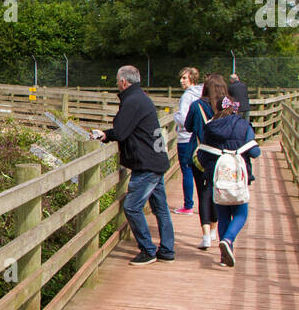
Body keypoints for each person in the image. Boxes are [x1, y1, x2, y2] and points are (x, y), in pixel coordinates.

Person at [96, 65, 174, 266]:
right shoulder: (142, 98)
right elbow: (127, 129)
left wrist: (106, 134)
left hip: (146, 165)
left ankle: (148, 251)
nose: (117, 84)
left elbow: (121, 131)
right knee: (161, 208)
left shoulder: (132, 101)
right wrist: (108, 134)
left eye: (117, 81)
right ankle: (167, 250)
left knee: (132, 207)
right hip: (157, 160)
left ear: (123, 82)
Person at [199, 95, 260, 268]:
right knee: (241, 213)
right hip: (238, 179)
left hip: (217, 179)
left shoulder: (210, 127)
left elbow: (203, 154)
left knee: (223, 214)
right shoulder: (243, 125)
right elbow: (255, 153)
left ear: (216, 108)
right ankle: (228, 239)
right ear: (235, 108)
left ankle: (224, 256)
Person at [187, 73, 227, 250]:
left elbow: (188, 126)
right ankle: (213, 229)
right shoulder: (227, 107)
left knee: (203, 193)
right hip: (221, 157)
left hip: (200, 155)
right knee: (216, 193)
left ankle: (205, 236)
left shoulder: (197, 106)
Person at [172, 67, 203, 214]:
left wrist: (175, 116)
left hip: (185, 138)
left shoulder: (187, 96)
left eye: (184, 78)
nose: (181, 81)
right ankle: (204, 204)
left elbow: (183, 119)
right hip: (199, 137)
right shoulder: (202, 93)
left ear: (192, 78)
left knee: (187, 171)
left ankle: (188, 205)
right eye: (181, 78)